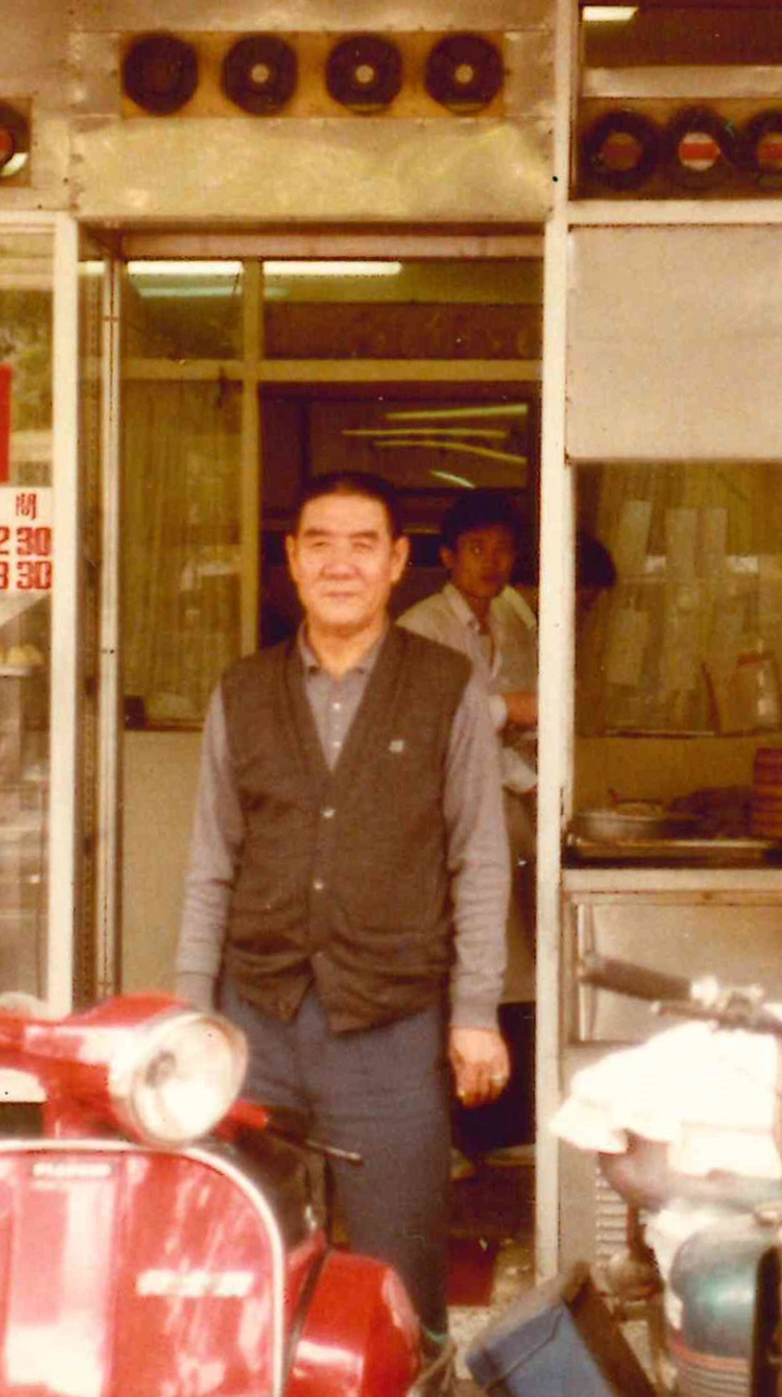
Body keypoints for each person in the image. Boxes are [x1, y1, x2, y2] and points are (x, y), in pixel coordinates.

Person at [175, 470, 511, 1342]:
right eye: (319, 542)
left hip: (390, 1026)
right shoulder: (241, 691)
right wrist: (189, 1015)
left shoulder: (447, 688)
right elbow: (212, 862)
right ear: (291, 560)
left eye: (364, 544)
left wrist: (475, 1012)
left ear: (399, 563)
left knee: (402, 1284)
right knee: (246, 1268)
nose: (341, 563)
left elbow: (479, 857)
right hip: (259, 1023)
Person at [398, 493, 537, 1168]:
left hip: (503, 821)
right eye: (477, 549)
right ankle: (440, 1135)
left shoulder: (515, 620)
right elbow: (431, 723)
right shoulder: (422, 627)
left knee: (501, 973)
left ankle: (485, 1133)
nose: (492, 562)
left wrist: (529, 777)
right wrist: (508, 711)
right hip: (439, 825)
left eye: (504, 548)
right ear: (448, 556)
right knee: (448, 974)